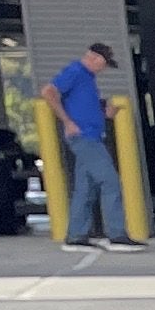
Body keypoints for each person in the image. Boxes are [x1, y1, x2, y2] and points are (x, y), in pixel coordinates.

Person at [42, 41, 138, 250]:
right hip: (84, 137)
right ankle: (117, 234)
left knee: (85, 188)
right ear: (94, 58)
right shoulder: (76, 71)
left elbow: (83, 105)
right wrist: (67, 122)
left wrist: (106, 114)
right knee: (110, 181)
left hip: (91, 135)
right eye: (103, 64)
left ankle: (76, 235)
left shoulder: (87, 78)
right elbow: (49, 91)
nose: (103, 68)